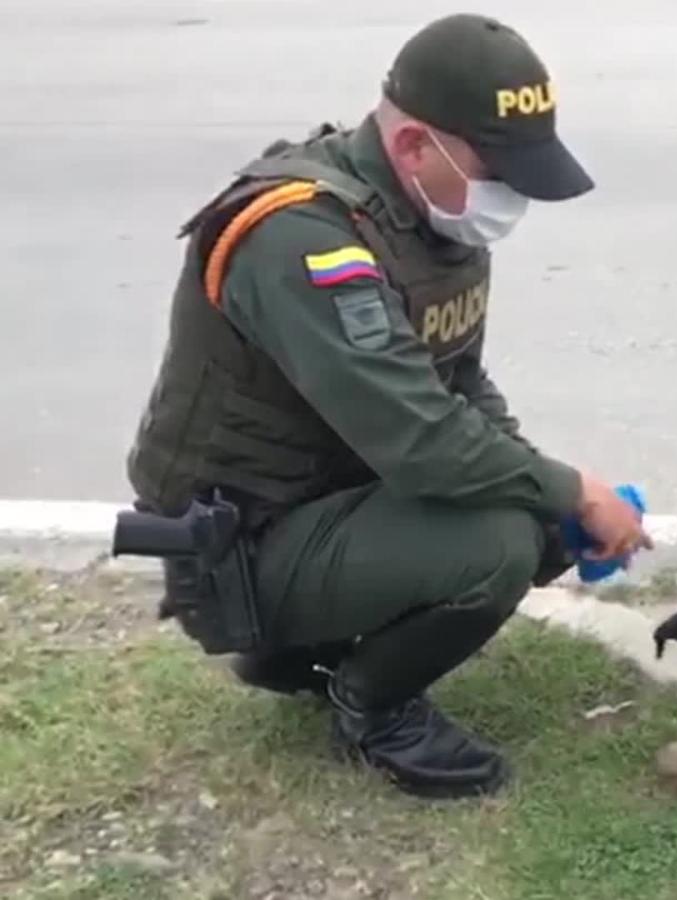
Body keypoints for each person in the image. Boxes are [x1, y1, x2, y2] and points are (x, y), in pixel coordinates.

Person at [122, 13, 649, 799]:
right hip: (239, 543)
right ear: (413, 147)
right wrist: (573, 490)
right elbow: (425, 443)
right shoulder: (303, 236)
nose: (508, 200)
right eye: (497, 172)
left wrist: (557, 500)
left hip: (320, 504)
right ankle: (370, 707)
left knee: (535, 516)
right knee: (501, 540)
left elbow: (459, 386)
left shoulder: (430, 221)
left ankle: (303, 649)